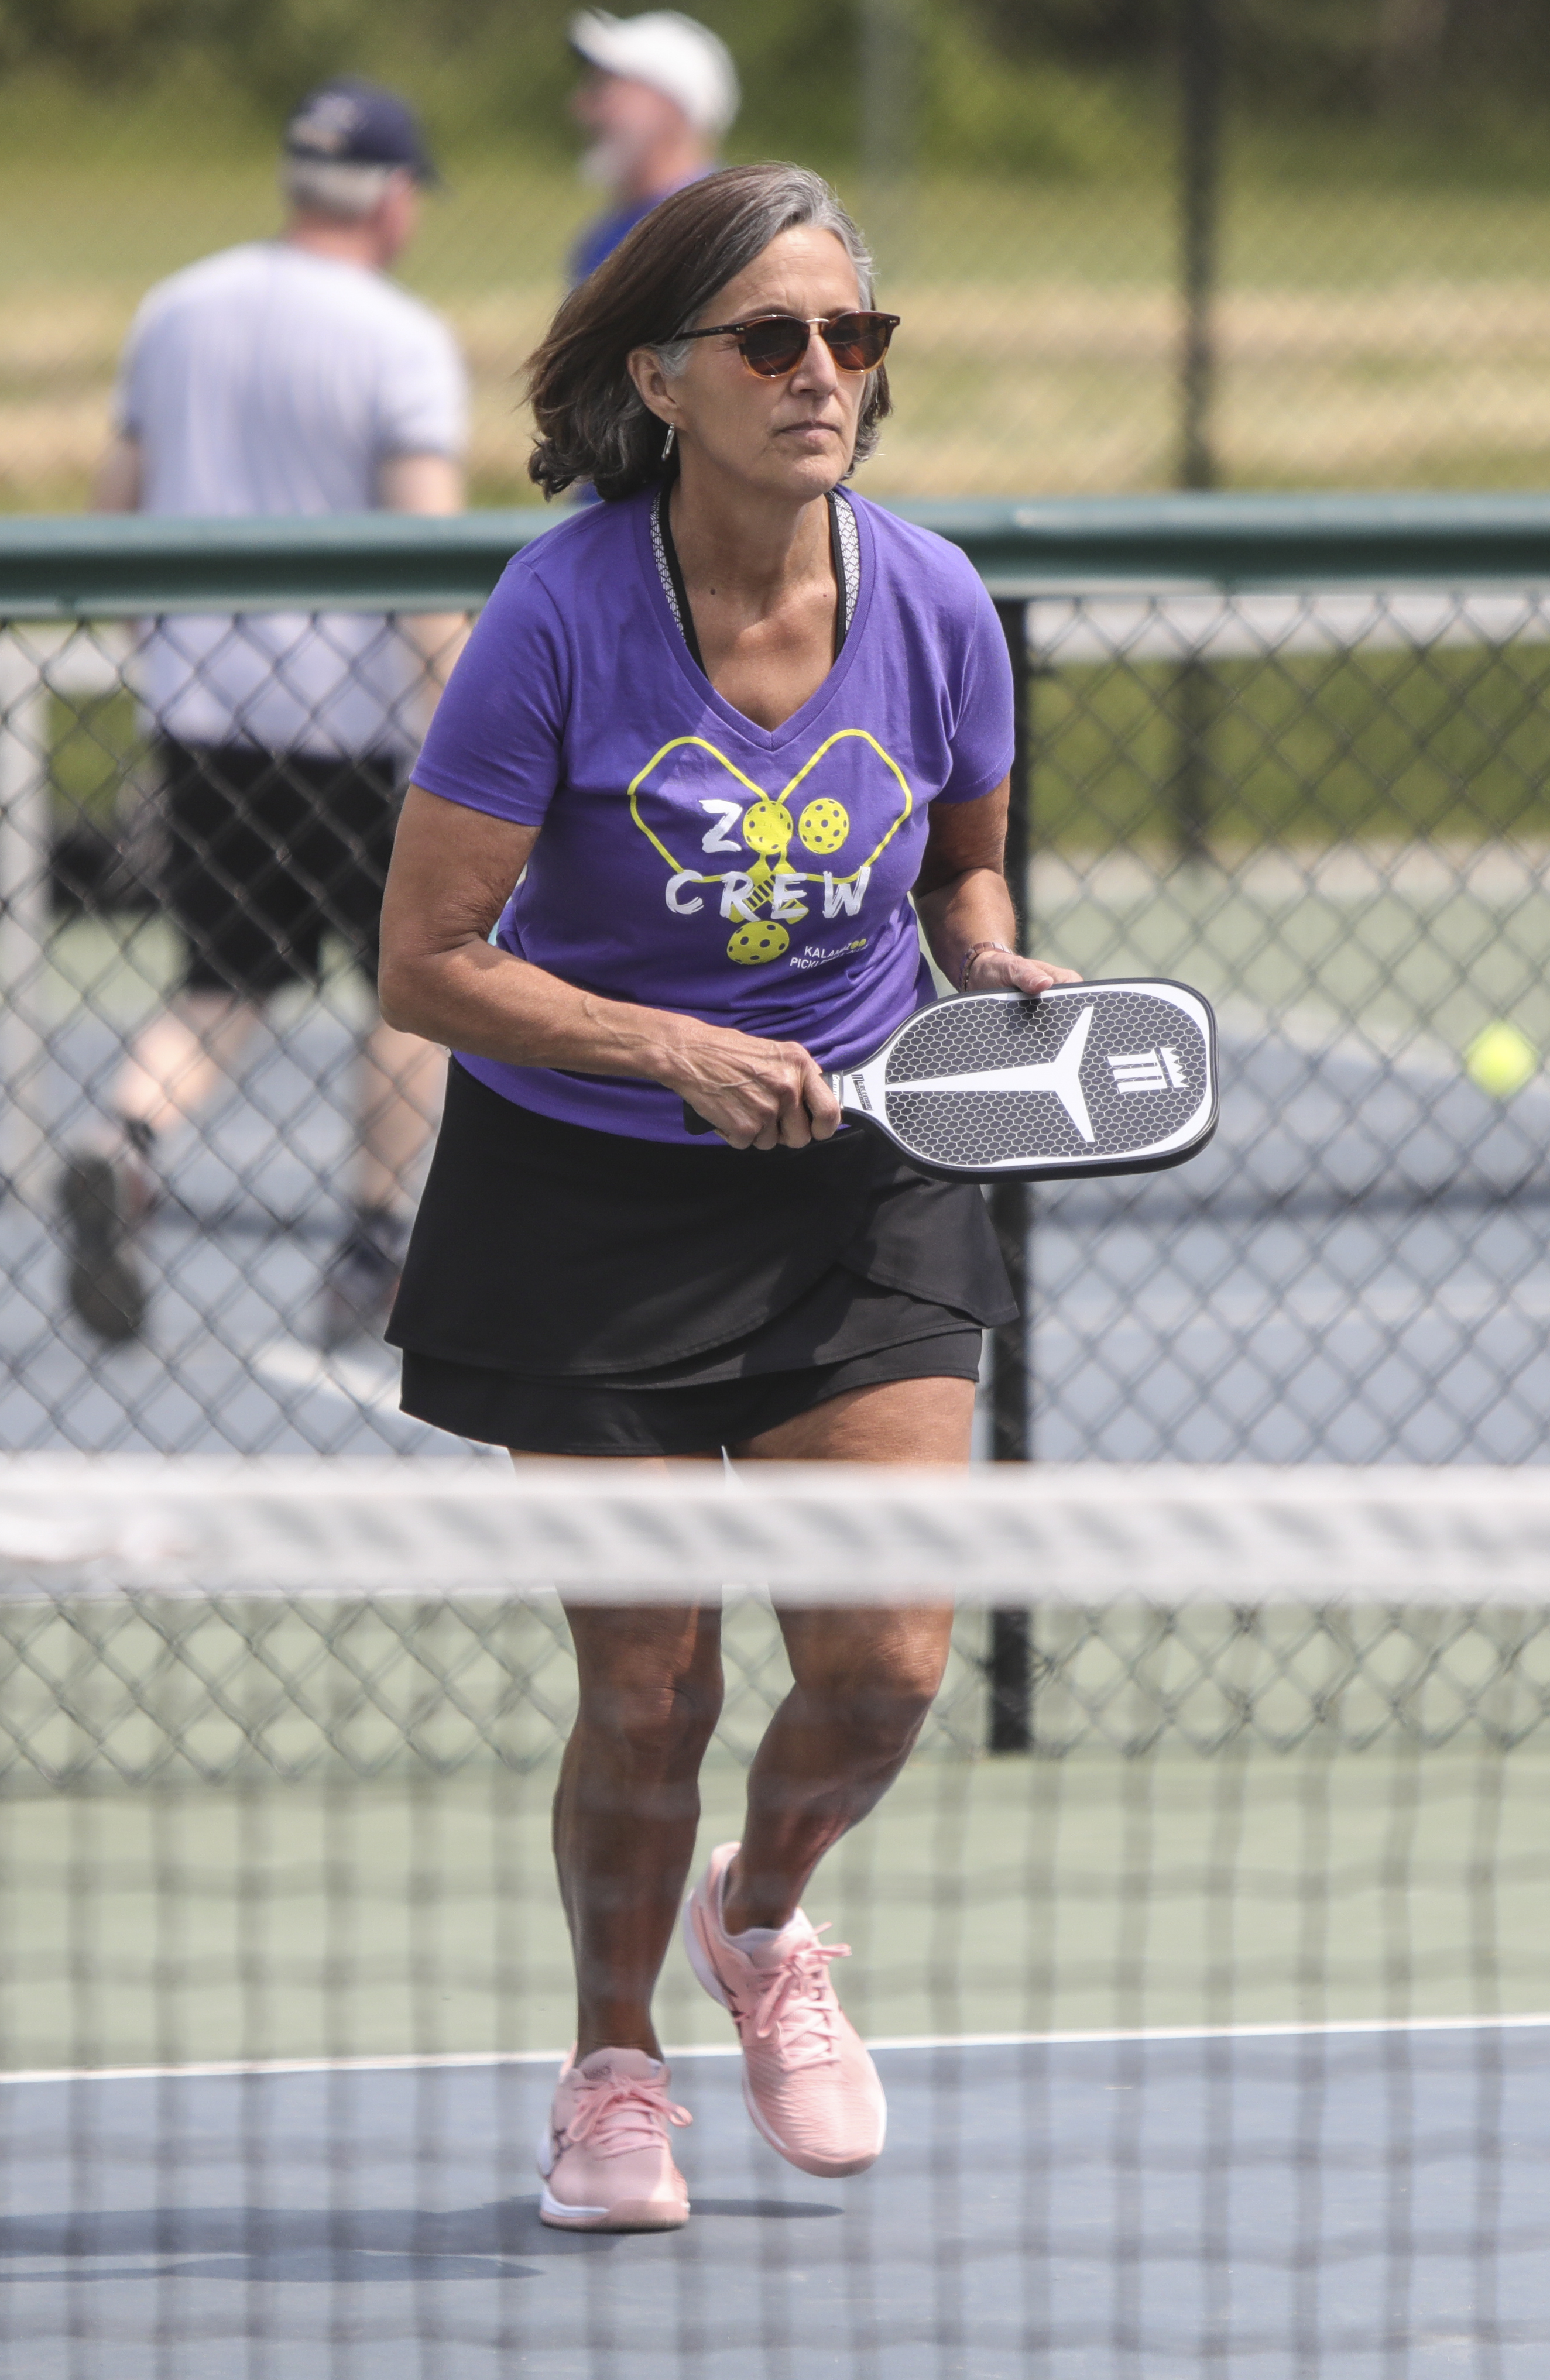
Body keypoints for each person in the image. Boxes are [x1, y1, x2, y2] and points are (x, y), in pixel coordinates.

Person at [372, 163, 1079, 2233]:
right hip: (584, 1200)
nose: (821, 374)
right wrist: (668, 1047)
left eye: (852, 338)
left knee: (884, 1663)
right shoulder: (559, 613)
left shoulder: (936, 599)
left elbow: (961, 867)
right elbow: (428, 959)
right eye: (773, 340)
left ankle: (760, 1920)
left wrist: (991, 967)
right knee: (652, 1681)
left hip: (864, 1184)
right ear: (662, 377)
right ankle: (611, 2064)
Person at [58, 80, 472, 1350]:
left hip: (206, 707)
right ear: (393, 200)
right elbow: (419, 557)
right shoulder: (397, 339)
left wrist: (158, 652)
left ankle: (126, 1131)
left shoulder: (174, 309)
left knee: (225, 974)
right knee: (413, 987)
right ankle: (369, 1241)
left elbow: (114, 509)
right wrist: (465, 710)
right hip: (355, 722)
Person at [565, 10, 737, 287]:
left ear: (670, 107)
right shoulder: (603, 238)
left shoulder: (724, 230)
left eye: (604, 88)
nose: (583, 108)